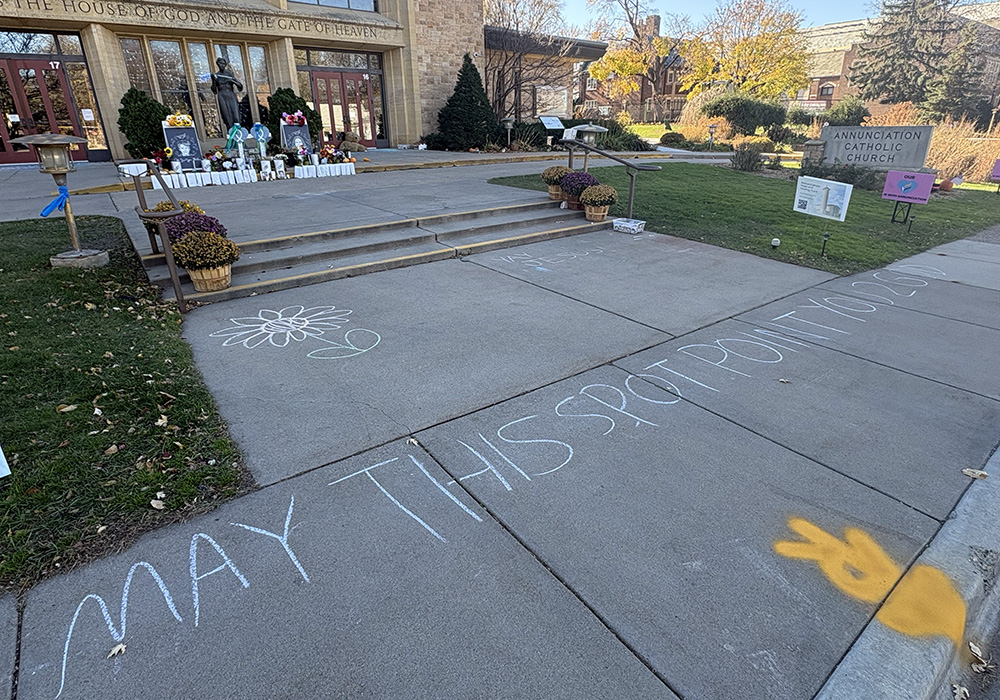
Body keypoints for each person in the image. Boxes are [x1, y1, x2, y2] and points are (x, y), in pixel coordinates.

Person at [211, 57, 243, 131]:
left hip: (231, 94)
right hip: (222, 95)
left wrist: (232, 81)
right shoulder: (216, 75)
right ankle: (230, 135)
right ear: (217, 64)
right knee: (227, 117)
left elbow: (240, 87)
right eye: (220, 63)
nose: (222, 65)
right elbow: (214, 91)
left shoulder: (229, 74)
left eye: (223, 63)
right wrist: (214, 81)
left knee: (236, 117)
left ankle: (238, 134)